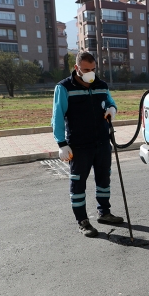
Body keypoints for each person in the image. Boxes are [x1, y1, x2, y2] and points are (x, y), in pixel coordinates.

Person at [51, 51, 124, 237]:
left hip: (102, 142)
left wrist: (112, 108)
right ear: (77, 68)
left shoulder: (101, 85)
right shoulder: (64, 88)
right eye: (86, 70)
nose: (91, 73)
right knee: (78, 184)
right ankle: (82, 221)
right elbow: (57, 117)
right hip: (79, 145)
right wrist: (61, 143)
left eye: (93, 69)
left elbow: (110, 101)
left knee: (104, 179)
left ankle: (104, 213)